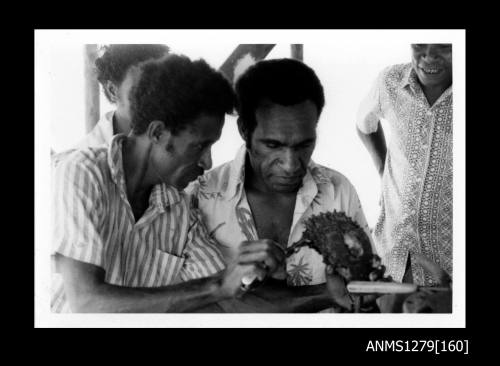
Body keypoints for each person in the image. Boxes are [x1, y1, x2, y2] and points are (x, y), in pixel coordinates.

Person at [51, 54, 285, 313]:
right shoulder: (81, 172)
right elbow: (85, 302)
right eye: (200, 146)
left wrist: (323, 293)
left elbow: (228, 297)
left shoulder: (180, 209)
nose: (208, 162)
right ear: (157, 132)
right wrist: (219, 285)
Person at [187, 58, 373, 305]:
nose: (291, 164)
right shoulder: (199, 197)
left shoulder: (338, 191)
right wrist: (326, 295)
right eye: (273, 145)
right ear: (244, 130)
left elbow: (367, 293)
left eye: (304, 145)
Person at [356, 44, 453, 286]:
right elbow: (364, 123)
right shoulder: (389, 82)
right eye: (420, 44)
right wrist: (381, 170)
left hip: (449, 261)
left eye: (443, 46)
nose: (429, 56)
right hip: (393, 253)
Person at [78, 44, 170, 148]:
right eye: (143, 86)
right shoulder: (83, 160)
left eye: (162, 84)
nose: (157, 94)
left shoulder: (176, 136)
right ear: (112, 90)